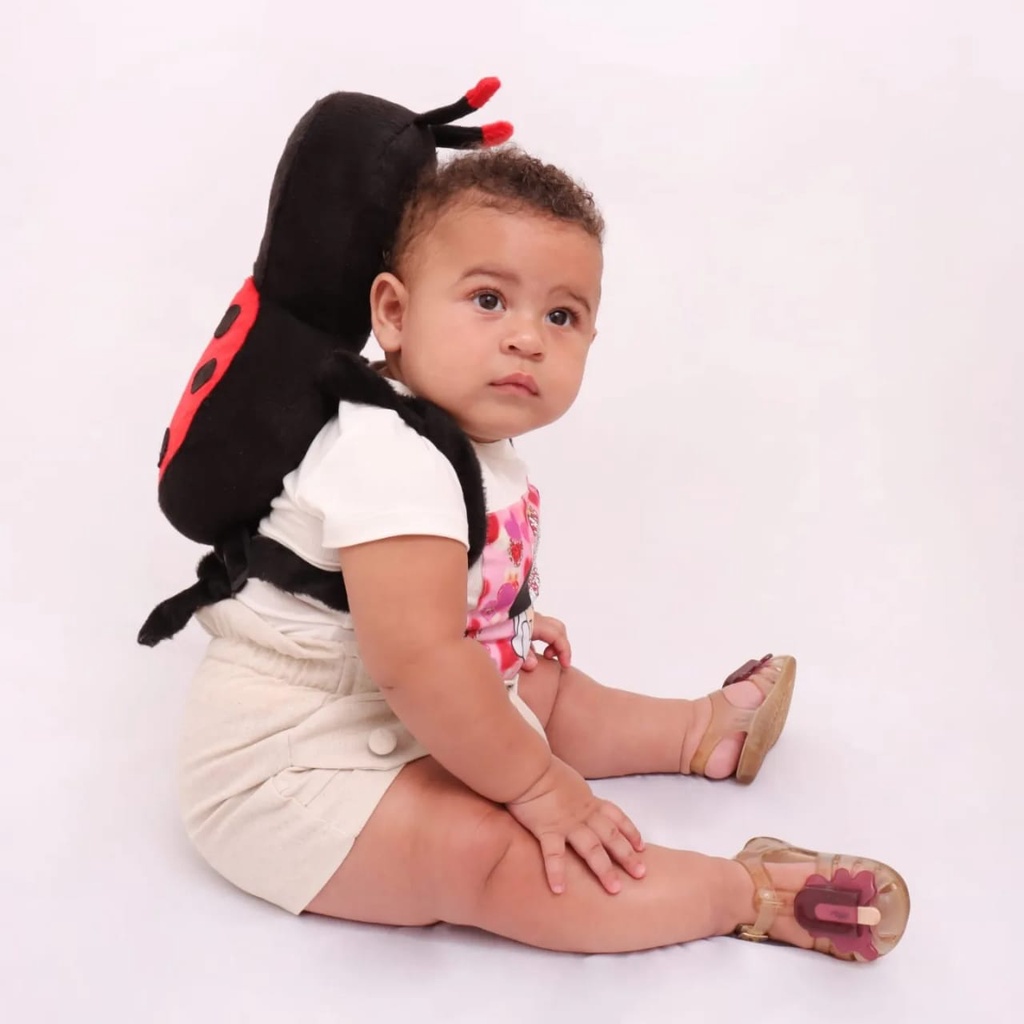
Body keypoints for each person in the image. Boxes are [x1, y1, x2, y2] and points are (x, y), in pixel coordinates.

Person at [178, 146, 909, 961]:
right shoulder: (390, 458)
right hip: (290, 774)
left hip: (385, 706)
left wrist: (500, 624)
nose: (527, 338)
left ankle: (700, 733)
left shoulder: (464, 439)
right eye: (489, 300)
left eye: (561, 316)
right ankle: (747, 892)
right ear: (393, 312)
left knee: (539, 683)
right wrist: (539, 786)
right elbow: (416, 663)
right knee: (483, 854)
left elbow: (421, 604)